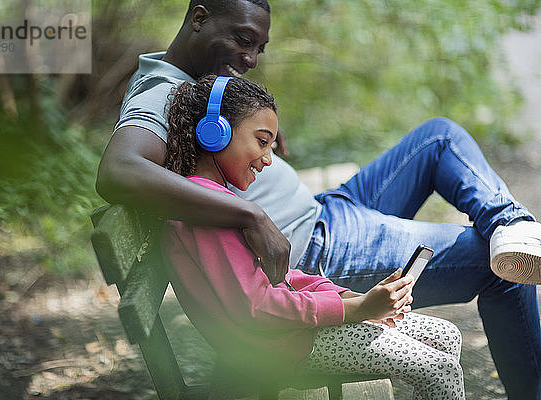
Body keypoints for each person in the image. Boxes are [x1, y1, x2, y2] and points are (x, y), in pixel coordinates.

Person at [95, 0, 541, 397]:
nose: (250, 59)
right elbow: (119, 170)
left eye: (258, 49)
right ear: (198, 19)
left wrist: (249, 122)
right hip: (313, 247)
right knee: (501, 266)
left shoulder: (197, 87)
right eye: (243, 40)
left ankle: (511, 221)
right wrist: (252, 214)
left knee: (439, 138)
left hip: (324, 215)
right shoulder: (158, 93)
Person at [162, 74, 465, 399]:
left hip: (295, 332)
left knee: (446, 335)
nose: (268, 159)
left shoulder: (216, 200)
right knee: (439, 368)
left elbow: (283, 280)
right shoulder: (204, 209)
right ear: (215, 132)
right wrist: (358, 309)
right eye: (262, 142)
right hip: (281, 347)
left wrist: (349, 296)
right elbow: (257, 308)